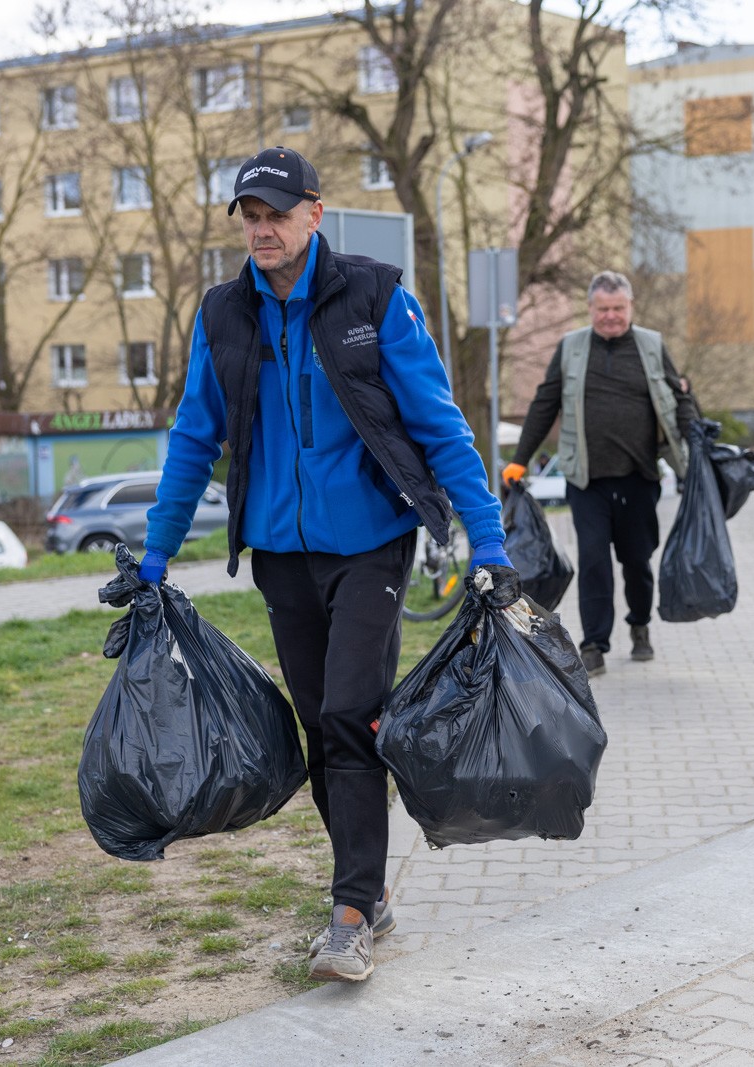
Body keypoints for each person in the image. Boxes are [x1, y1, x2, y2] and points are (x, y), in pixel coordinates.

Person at [137, 147, 519, 984]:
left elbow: (440, 423)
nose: (262, 229)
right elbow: (194, 437)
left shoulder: (374, 297)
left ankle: (349, 914)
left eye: (276, 213)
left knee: (351, 714)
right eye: (250, 216)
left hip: (373, 542)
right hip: (281, 553)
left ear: (315, 213)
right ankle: (368, 889)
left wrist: (487, 539)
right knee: (321, 725)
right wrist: (156, 555)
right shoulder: (223, 314)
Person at [501, 271, 699, 676]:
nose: (611, 316)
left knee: (637, 561)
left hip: (639, 477)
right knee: (593, 561)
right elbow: (545, 403)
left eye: (618, 308)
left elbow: (679, 400)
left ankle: (640, 625)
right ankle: (594, 645)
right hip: (586, 479)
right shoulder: (571, 347)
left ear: (630, 307)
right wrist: (521, 459)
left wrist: (696, 448)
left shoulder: (651, 345)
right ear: (591, 309)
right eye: (603, 309)